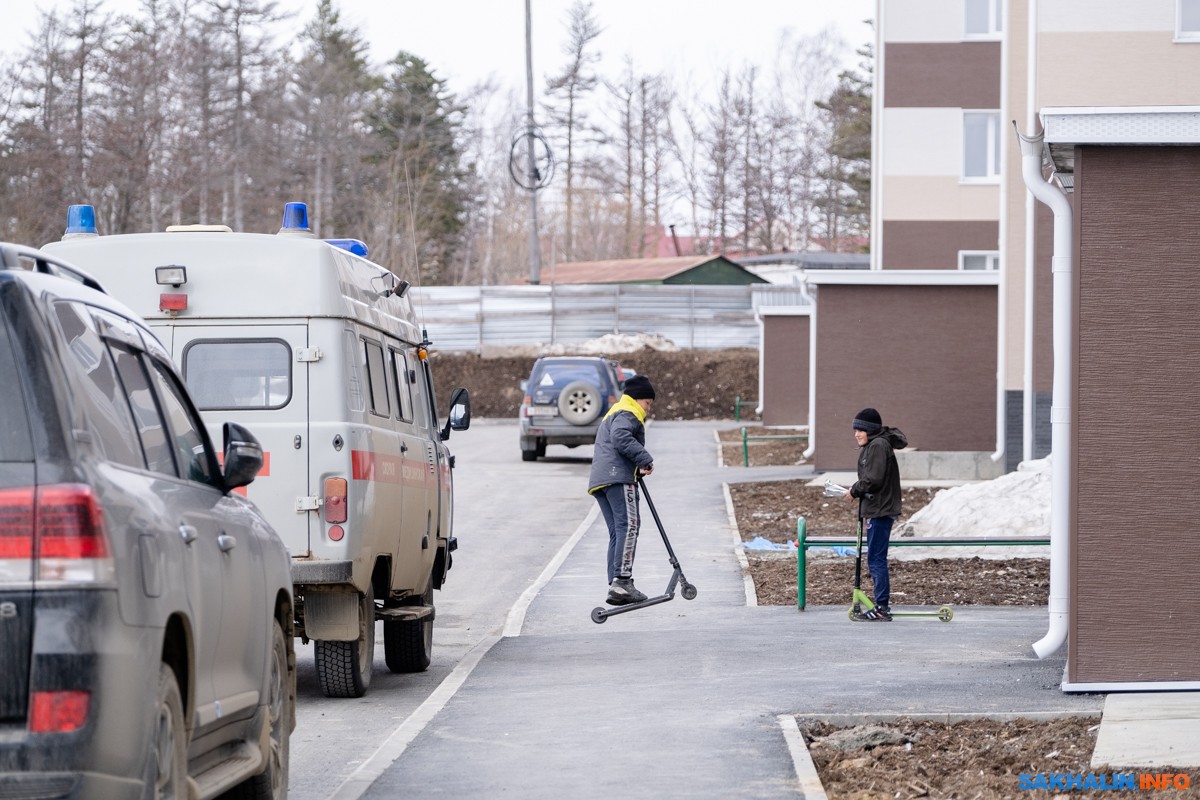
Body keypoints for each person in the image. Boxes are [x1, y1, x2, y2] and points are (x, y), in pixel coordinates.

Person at [588, 374, 656, 606]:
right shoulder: (629, 412)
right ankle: (622, 582)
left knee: (618, 531)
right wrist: (644, 459)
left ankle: (616, 584)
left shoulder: (615, 411)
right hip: (617, 478)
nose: (648, 409)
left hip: (602, 480)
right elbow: (620, 437)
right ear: (638, 399)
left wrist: (637, 466)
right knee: (629, 526)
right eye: (648, 403)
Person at [845, 407, 907, 621]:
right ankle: (880, 605)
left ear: (870, 430)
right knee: (875, 558)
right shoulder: (875, 444)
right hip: (877, 509)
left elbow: (874, 478)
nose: (856, 434)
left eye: (860, 430)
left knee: (876, 559)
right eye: (855, 430)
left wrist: (855, 489)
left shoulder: (878, 445)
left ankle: (881, 607)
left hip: (881, 510)